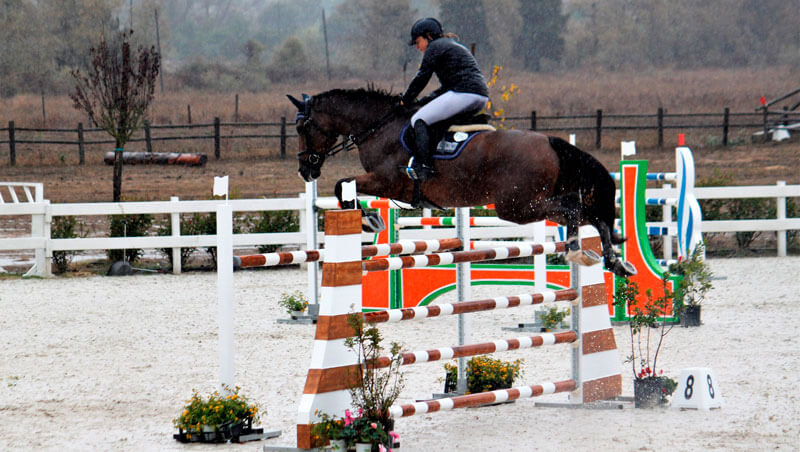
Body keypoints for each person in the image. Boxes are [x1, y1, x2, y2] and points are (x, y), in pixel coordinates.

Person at [401, 17, 490, 181]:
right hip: (480, 96)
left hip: (464, 93)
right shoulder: (449, 46)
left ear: (428, 36)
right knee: (437, 123)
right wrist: (422, 101)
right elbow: (445, 89)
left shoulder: (434, 47)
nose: (418, 47)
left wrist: (405, 100)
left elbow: (422, 77)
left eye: (418, 42)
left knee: (418, 120)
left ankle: (424, 167)